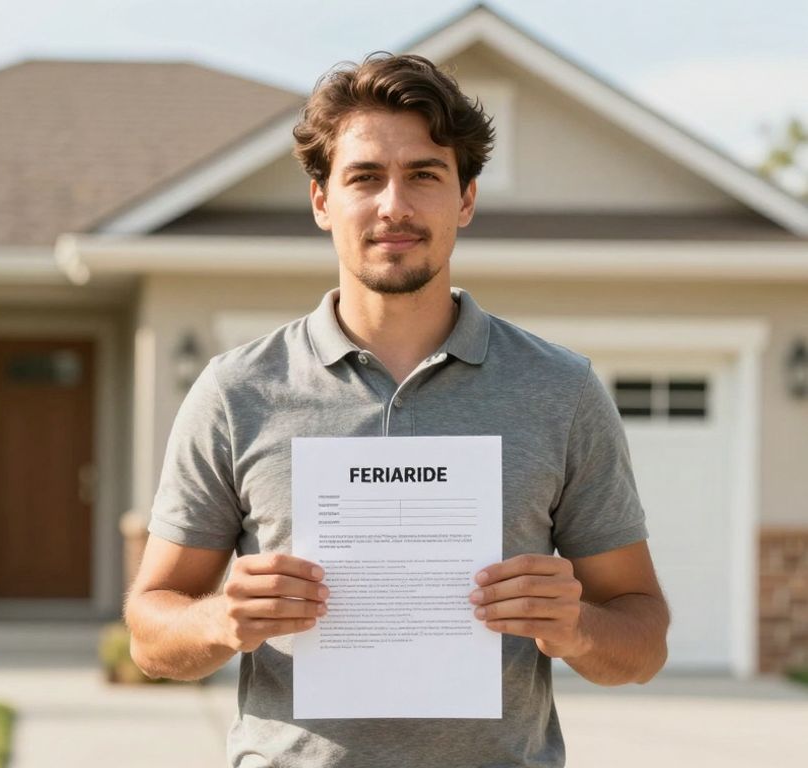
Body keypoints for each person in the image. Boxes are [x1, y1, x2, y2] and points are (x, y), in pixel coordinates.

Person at [123, 53, 670, 767]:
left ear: (466, 199)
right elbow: (149, 637)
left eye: (423, 175)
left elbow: (643, 639)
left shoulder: (559, 391)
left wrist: (576, 628)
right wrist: (226, 617)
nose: (394, 206)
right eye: (364, 177)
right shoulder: (237, 392)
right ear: (322, 201)